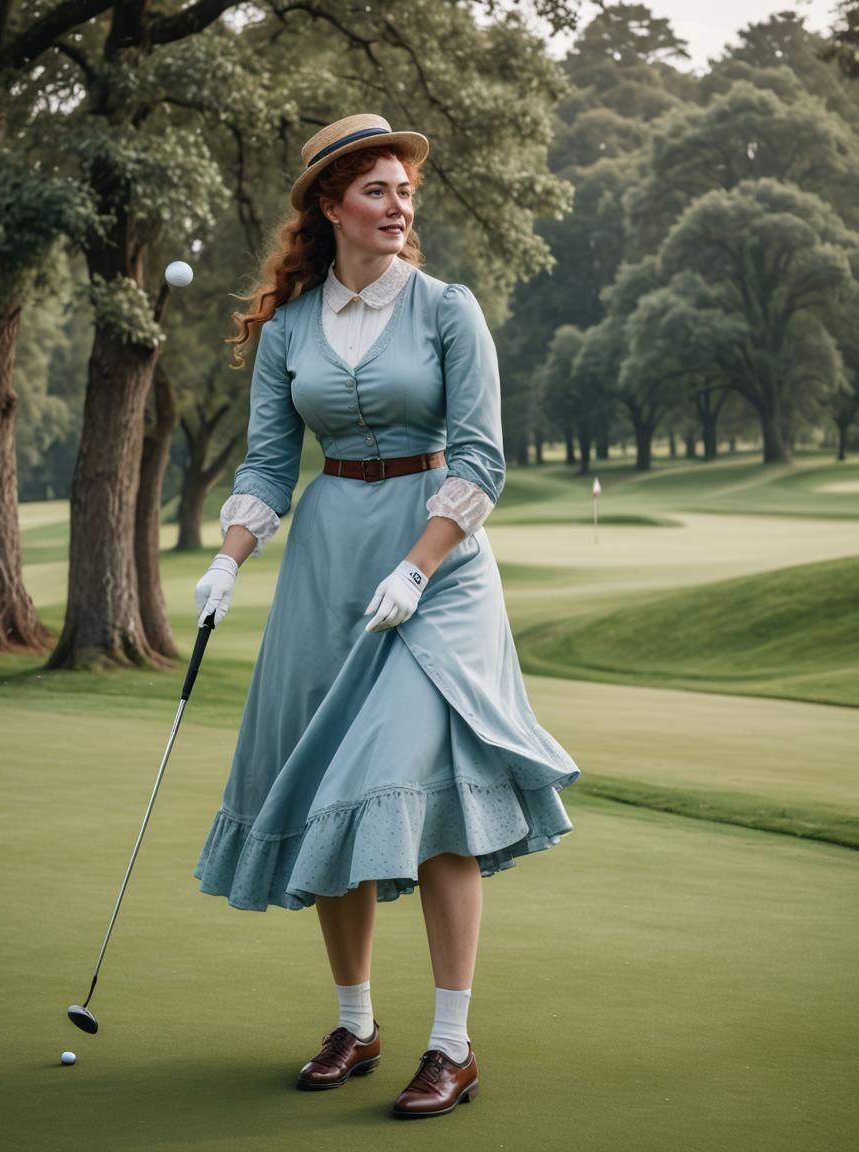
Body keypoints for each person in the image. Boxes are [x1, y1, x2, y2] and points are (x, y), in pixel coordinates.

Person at [193, 113, 581, 1120]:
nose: (398, 206)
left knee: (415, 774)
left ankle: (451, 1045)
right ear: (330, 207)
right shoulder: (288, 329)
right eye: (376, 190)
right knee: (325, 774)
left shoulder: (448, 309)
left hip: (438, 560)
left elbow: (482, 458)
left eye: (405, 190)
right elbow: (271, 463)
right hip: (327, 560)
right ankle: (356, 1023)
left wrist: (415, 569)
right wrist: (227, 561)